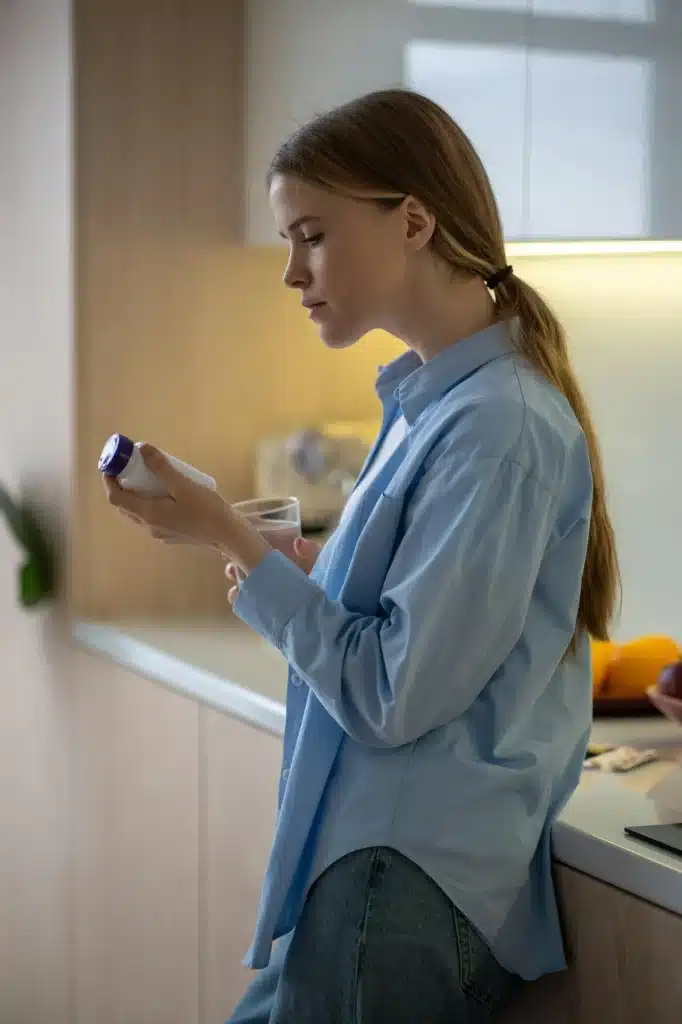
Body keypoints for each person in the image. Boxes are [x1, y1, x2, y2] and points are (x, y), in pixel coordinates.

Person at [104, 89, 620, 1023]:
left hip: (397, 882)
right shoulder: (439, 405)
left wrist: (226, 534)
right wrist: (301, 567)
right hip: (366, 873)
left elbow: (392, 694)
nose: (293, 272)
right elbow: (405, 633)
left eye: (311, 234)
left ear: (414, 220)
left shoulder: (496, 424)